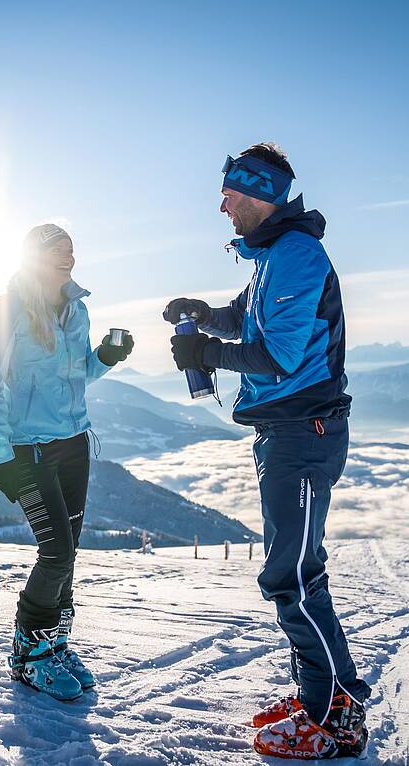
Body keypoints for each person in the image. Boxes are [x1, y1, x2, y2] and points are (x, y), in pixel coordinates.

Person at [164, 143, 370, 759]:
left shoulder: (297, 254)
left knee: (292, 577)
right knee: (300, 573)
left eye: (229, 191)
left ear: (258, 192)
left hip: (302, 433)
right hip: (286, 433)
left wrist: (205, 354)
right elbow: (252, 323)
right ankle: (327, 701)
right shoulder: (274, 257)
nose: (221, 203)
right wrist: (206, 317)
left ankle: (328, 717)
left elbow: (277, 357)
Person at [0, 223, 134, 701]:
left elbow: (78, 372)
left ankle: (56, 644)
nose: (68, 257)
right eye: (57, 250)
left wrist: (105, 357)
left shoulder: (77, 308)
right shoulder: (5, 311)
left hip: (74, 445)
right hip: (31, 450)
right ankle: (29, 649)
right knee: (56, 551)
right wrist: (3, 459)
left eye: (71, 249)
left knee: (70, 553)